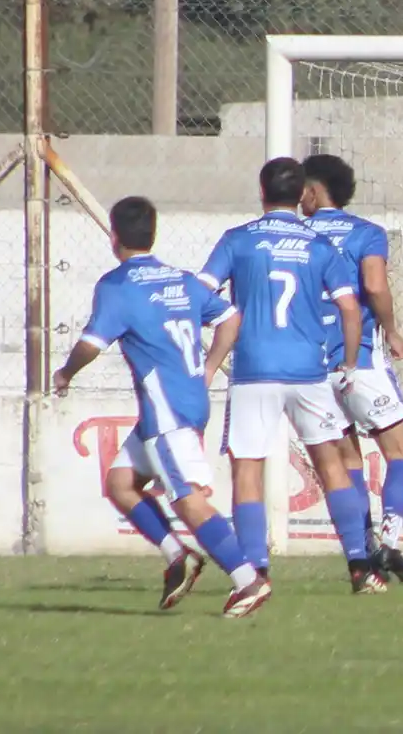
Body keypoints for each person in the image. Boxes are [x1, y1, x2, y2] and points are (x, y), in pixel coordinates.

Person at [52, 196, 269, 618]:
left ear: (114, 238)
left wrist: (65, 373)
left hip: (166, 411)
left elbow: (91, 344)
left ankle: (248, 581)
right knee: (120, 483)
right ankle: (178, 557)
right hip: (185, 401)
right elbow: (230, 317)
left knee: (186, 498)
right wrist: (208, 369)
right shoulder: (183, 281)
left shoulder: (117, 286)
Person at [198, 158, 385, 593]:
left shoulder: (237, 241)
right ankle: (360, 565)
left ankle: (256, 572)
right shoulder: (320, 246)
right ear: (302, 195)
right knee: (331, 463)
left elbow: (202, 292)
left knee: (248, 468)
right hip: (309, 372)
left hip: (253, 372)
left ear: (261, 191)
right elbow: (350, 309)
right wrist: (350, 363)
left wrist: (223, 323)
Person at [300, 154, 403, 584]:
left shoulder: (294, 237)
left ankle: (364, 560)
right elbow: (373, 284)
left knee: (347, 460)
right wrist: (391, 329)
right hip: (359, 359)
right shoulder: (364, 233)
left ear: (314, 192)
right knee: (400, 453)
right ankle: (388, 542)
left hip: (309, 367)